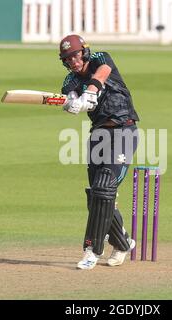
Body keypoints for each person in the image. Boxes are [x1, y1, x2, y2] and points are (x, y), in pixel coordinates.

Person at [59, 34, 140, 270]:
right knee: (98, 195)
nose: (73, 61)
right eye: (67, 58)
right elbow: (70, 94)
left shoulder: (99, 58)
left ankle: (92, 250)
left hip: (124, 130)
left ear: (84, 51)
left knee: (105, 187)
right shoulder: (70, 79)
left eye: (75, 55)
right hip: (98, 135)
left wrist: (91, 92)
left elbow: (103, 71)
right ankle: (123, 242)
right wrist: (72, 102)